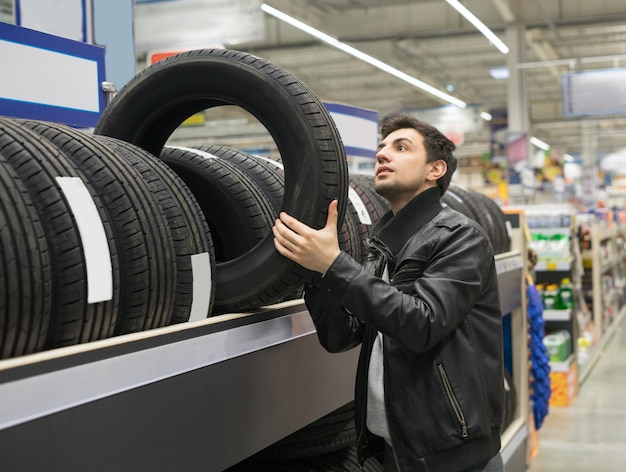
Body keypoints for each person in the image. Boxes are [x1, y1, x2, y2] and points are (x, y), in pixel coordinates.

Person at [272, 114, 505, 472]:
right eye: (382, 148)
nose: (383, 154)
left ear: (435, 169)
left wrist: (335, 264)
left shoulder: (460, 237)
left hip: (451, 459)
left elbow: (421, 323)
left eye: (401, 147)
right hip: (390, 450)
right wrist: (319, 273)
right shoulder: (384, 247)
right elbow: (342, 336)